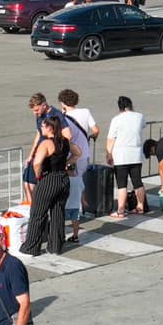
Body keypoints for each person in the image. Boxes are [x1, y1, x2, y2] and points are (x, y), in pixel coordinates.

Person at [19, 115, 72, 256]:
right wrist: (67, 163)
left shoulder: (46, 144)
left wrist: (38, 175)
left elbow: (37, 163)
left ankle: (31, 247)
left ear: (50, 128)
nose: (41, 128)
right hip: (63, 179)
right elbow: (78, 152)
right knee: (57, 212)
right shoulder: (65, 141)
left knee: (38, 214)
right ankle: (56, 246)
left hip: (49, 179)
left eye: (43, 126)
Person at [56, 90, 97, 244]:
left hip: (71, 155)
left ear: (62, 102)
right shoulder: (86, 112)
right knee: (78, 181)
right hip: (84, 154)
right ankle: (81, 202)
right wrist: (91, 137)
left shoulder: (63, 117)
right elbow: (96, 130)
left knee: (68, 183)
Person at [105, 97, 147, 217]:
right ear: (131, 105)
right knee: (137, 182)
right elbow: (143, 125)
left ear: (119, 107)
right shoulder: (139, 116)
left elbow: (110, 139)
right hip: (136, 154)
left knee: (122, 184)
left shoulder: (116, 119)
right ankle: (140, 207)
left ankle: (121, 210)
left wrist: (108, 154)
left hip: (121, 156)